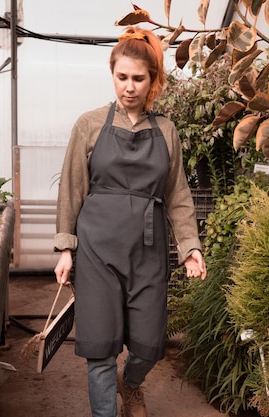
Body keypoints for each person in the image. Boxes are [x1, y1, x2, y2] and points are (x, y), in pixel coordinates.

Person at [53, 26, 207, 417]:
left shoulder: (167, 131)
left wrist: (190, 247)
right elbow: (72, 187)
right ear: (113, 75)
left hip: (148, 251)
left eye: (139, 78)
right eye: (122, 77)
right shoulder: (89, 125)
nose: (129, 87)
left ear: (153, 80)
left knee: (148, 343)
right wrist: (65, 248)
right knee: (101, 347)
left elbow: (177, 195)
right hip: (97, 249)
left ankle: (132, 383)